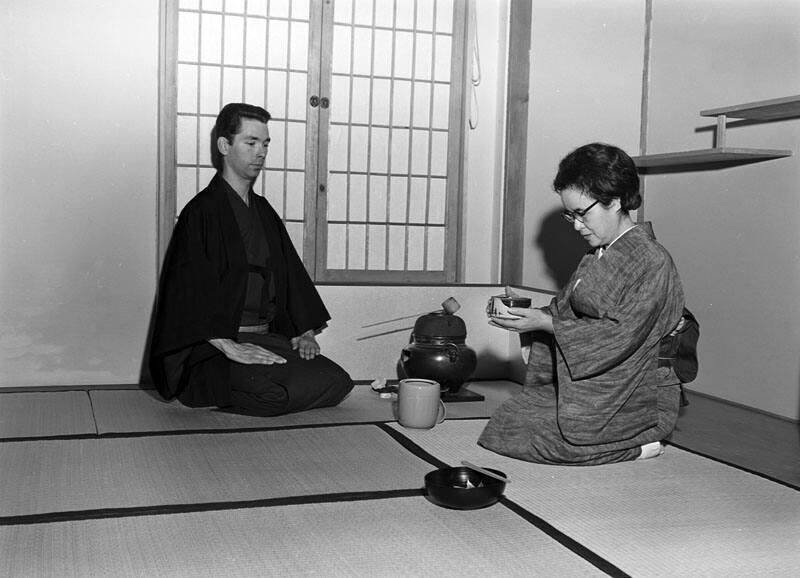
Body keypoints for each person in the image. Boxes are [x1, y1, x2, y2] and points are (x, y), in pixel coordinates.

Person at [479, 143, 685, 465]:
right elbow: (563, 310)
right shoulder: (596, 256)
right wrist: (525, 317)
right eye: (570, 215)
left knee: (551, 443)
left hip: (636, 392)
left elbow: (620, 336)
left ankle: (641, 445)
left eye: (581, 214)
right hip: (594, 382)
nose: (576, 226)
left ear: (614, 201)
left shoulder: (653, 261)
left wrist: (546, 324)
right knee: (507, 421)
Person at [149, 103, 353, 416]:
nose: (261, 152)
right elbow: (185, 292)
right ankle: (209, 387)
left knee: (338, 382)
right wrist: (230, 346)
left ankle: (244, 383)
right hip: (214, 346)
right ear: (224, 145)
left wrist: (304, 332)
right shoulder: (201, 212)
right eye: (251, 142)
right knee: (275, 394)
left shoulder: (265, 212)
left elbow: (291, 278)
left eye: (265, 144)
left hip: (267, 339)